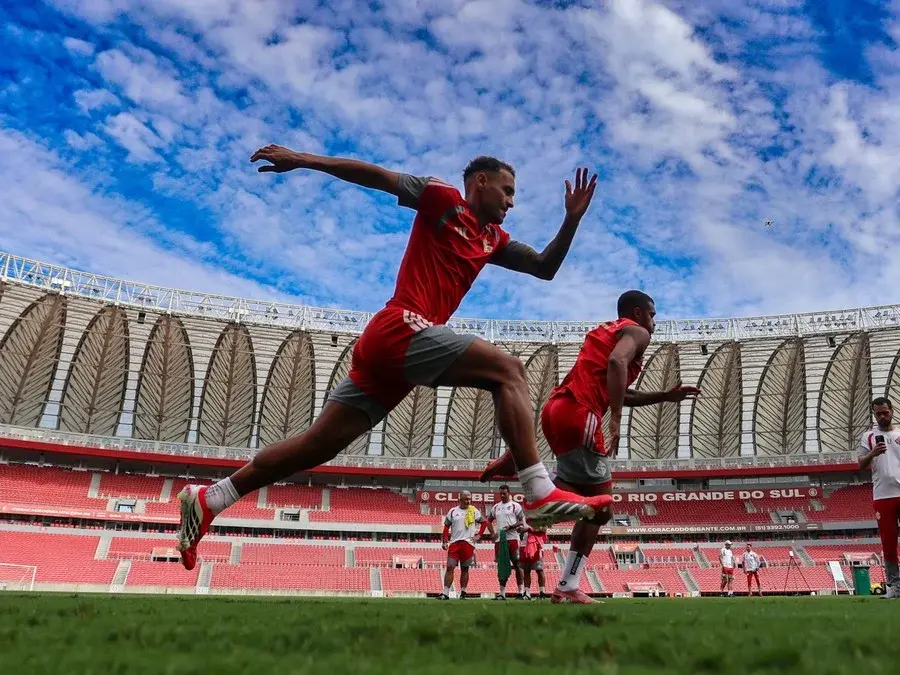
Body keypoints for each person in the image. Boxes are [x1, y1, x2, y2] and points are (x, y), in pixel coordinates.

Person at [175, 145, 615, 569]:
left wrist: (571, 220)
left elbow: (543, 266)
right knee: (509, 370)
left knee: (312, 448)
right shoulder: (442, 199)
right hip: (400, 326)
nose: (511, 202)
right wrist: (304, 160)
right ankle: (538, 489)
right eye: (507, 191)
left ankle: (210, 498)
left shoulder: (493, 239)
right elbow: (376, 176)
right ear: (480, 183)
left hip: (398, 355)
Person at [479, 290, 700, 603]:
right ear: (637, 313)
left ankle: (525, 465)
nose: (654, 322)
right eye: (652, 314)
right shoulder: (636, 332)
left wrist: (665, 395)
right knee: (602, 508)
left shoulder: (604, 330)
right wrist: (615, 420)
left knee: (585, 496)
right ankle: (566, 581)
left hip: (555, 412)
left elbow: (615, 385)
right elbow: (616, 362)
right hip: (583, 416)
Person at [859, 396, 900, 599]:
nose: (882, 416)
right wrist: (873, 453)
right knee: (889, 542)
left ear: (892, 411)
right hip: (883, 495)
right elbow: (860, 464)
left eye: (885, 412)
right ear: (874, 414)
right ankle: (895, 586)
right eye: (878, 414)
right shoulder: (868, 436)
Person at [439, 491, 493, 599]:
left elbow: (484, 522)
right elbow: (446, 527)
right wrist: (445, 541)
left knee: (465, 569)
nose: (468, 501)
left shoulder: (473, 511)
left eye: (469, 499)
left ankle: (463, 592)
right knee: (450, 567)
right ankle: (445, 593)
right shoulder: (453, 511)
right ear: (460, 499)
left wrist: (479, 535)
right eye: (465, 499)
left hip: (468, 543)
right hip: (454, 543)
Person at [488, 485, 526, 599]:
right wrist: (493, 534)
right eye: (501, 493)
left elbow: (522, 521)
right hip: (500, 540)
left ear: (509, 493)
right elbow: (488, 521)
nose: (502, 495)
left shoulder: (515, 506)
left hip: (513, 538)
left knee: (517, 564)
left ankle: (520, 591)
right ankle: (502, 592)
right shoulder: (496, 507)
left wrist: (511, 526)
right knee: (502, 566)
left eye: (504, 493)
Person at [520, 525, 549, 600]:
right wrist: (522, 529)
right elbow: (519, 530)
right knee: (526, 570)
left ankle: (542, 593)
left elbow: (544, 530)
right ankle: (527, 593)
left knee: (539, 570)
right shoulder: (523, 518)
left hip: (537, 545)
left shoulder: (539, 518)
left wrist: (530, 529)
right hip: (524, 545)